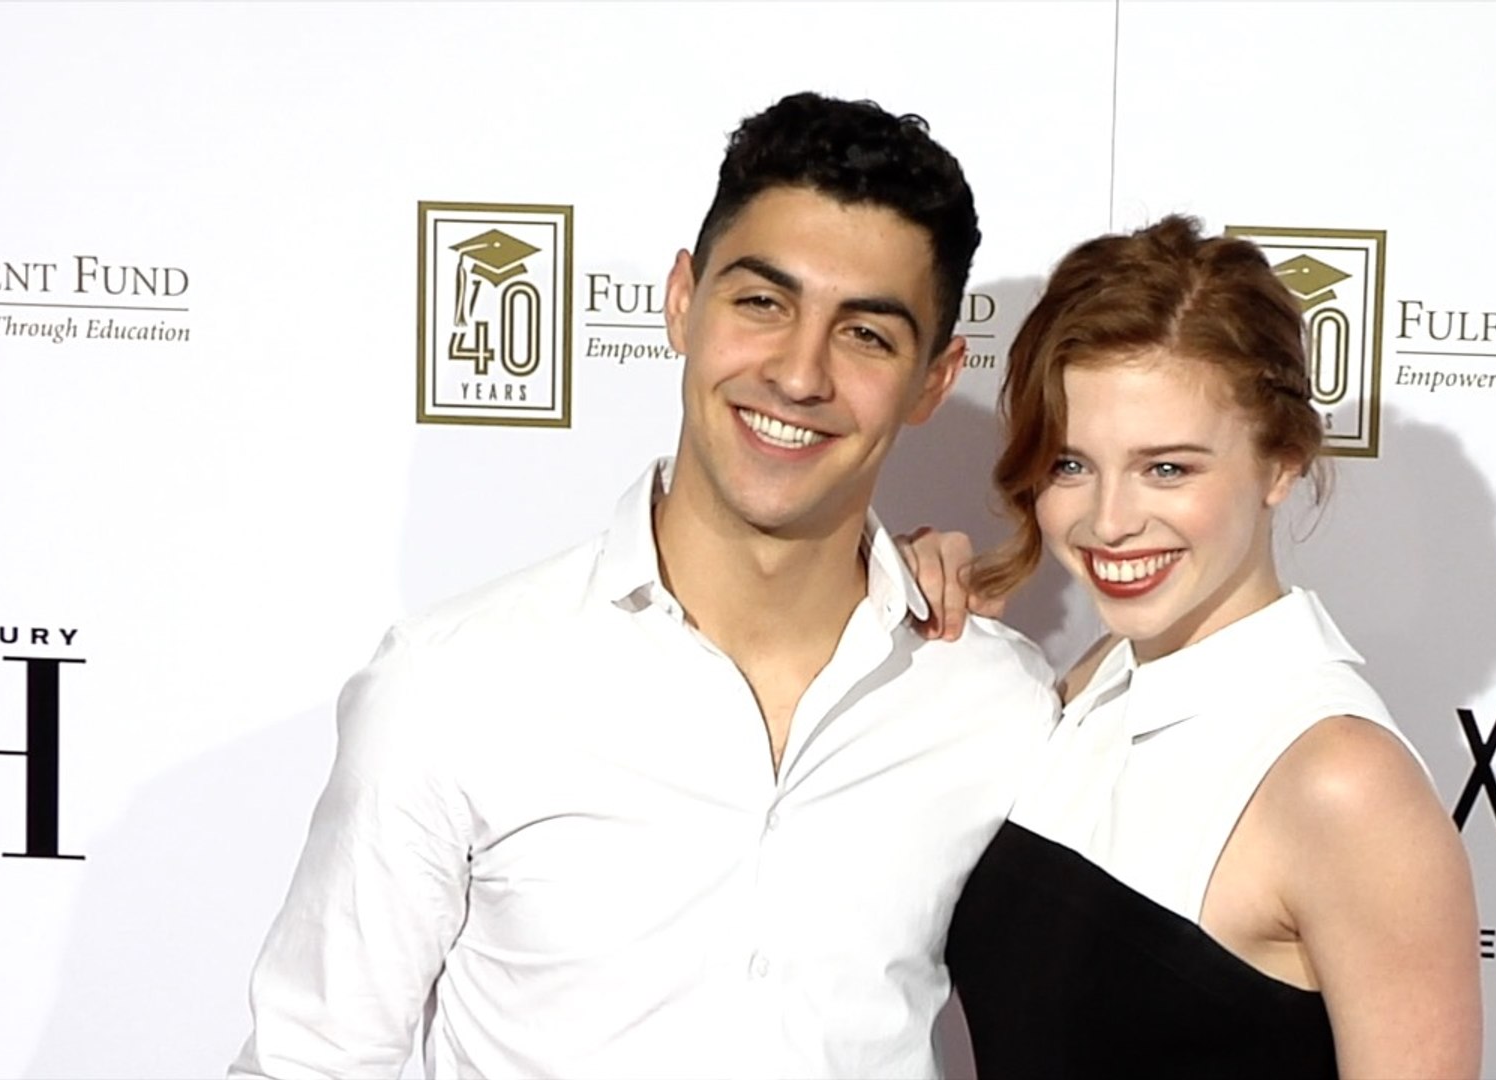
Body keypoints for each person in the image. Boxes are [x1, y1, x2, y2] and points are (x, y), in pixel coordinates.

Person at [228, 92, 1056, 1080]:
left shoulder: (998, 705)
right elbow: (310, 1060)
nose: (800, 374)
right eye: (762, 304)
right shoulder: (454, 684)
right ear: (681, 302)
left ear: (934, 378)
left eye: (866, 335)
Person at [936, 216, 1482, 1078]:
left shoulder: (1342, 783)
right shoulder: (1102, 677)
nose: (1110, 521)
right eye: (1072, 465)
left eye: (1168, 469)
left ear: (1282, 462)